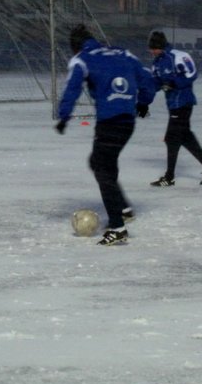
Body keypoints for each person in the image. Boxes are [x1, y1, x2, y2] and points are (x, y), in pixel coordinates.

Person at [55, 24, 155, 246]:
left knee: (102, 168)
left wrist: (64, 117)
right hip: (127, 122)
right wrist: (143, 102)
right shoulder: (123, 53)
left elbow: (72, 88)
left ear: (75, 47)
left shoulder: (82, 59)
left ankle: (118, 227)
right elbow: (147, 78)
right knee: (102, 163)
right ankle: (123, 208)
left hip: (109, 121)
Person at [147, 30, 202, 186]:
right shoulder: (157, 62)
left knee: (171, 139)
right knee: (185, 137)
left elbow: (192, 74)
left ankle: (169, 177)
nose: (151, 52)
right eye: (150, 49)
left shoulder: (178, 56)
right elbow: (156, 82)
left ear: (161, 46)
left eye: (154, 48)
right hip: (173, 104)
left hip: (184, 103)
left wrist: (174, 83)